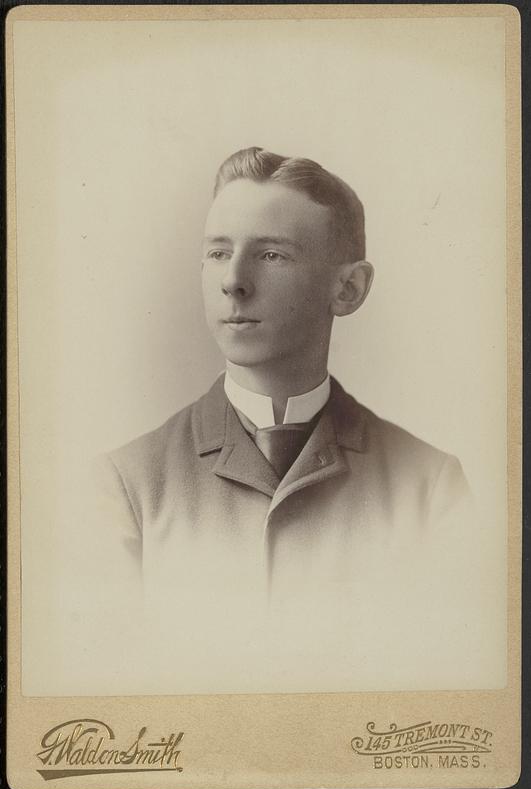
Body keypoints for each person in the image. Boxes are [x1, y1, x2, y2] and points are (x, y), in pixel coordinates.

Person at [90, 147, 483, 693]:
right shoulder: (126, 484)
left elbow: (453, 682)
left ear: (348, 289)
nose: (233, 281)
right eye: (217, 252)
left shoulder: (430, 487)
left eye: (271, 255)